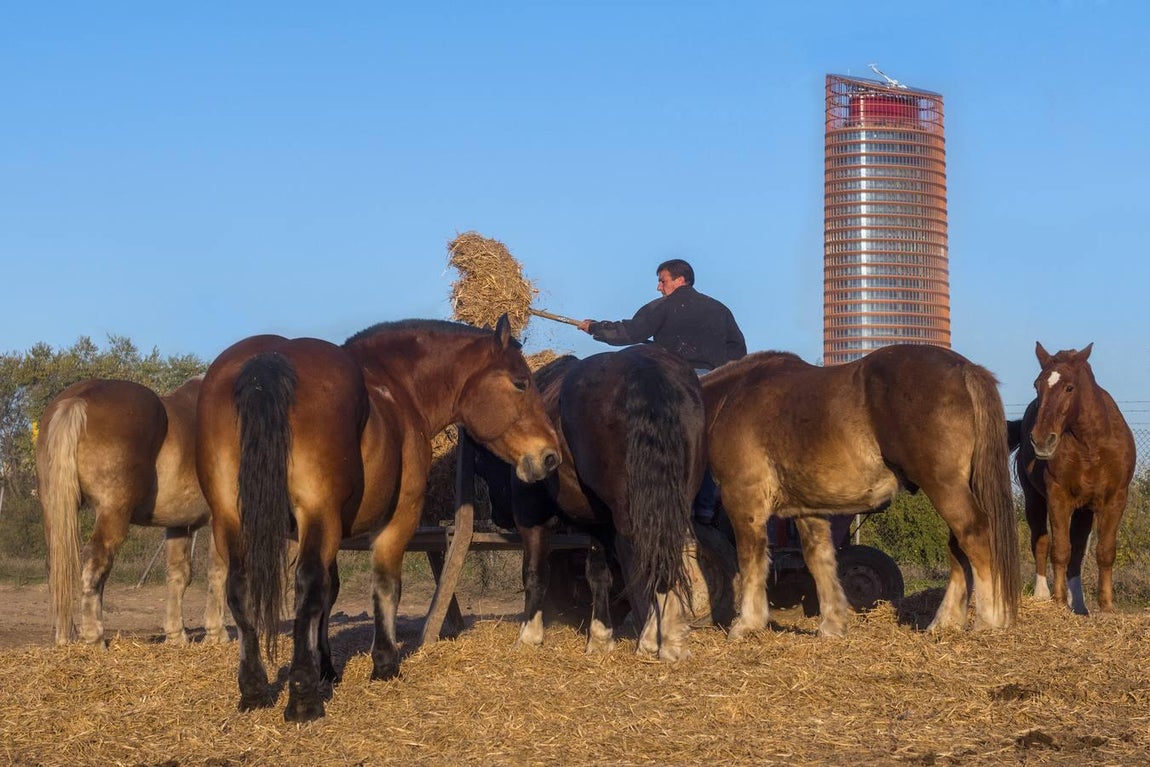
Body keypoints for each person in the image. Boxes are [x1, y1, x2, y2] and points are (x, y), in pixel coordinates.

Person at [577, 258, 746, 525]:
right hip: (714, 386)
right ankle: (704, 512)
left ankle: (678, 510)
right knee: (706, 448)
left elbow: (630, 332)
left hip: (675, 383)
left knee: (672, 448)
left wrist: (596, 328)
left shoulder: (663, 307)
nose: (658, 287)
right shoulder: (719, 310)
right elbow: (738, 351)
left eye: (662, 280)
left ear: (680, 280)